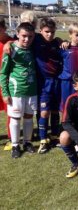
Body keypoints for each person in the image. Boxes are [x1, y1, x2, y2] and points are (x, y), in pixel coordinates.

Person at [0, 23, 37, 158]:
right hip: (16, 90)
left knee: (28, 117)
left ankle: (27, 142)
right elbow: (3, 73)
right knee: (15, 118)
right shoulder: (10, 49)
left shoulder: (34, 47)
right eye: (23, 36)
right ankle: (15, 145)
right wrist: (5, 92)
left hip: (32, 90)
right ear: (17, 34)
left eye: (30, 36)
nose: (27, 39)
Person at [34, 18, 63, 153]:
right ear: (40, 31)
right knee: (44, 112)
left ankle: (55, 136)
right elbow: (18, 38)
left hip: (57, 81)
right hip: (44, 82)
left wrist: (63, 42)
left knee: (55, 111)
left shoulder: (57, 43)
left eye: (52, 32)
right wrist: (9, 43)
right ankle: (43, 139)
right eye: (46, 32)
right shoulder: (36, 41)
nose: (49, 34)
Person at [59, 23, 78, 112]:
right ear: (70, 34)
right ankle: (64, 124)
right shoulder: (64, 48)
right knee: (66, 106)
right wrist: (63, 41)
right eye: (77, 35)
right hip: (67, 82)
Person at [0, 17, 14, 151]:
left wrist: (9, 42)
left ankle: (11, 138)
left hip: (6, 82)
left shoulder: (11, 43)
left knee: (9, 111)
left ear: (4, 28)